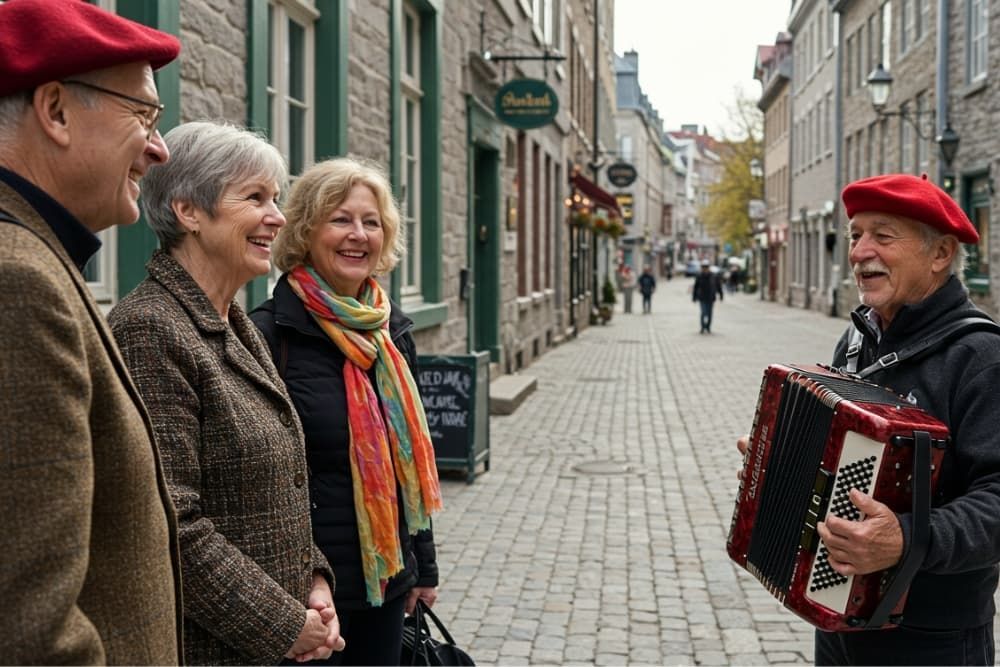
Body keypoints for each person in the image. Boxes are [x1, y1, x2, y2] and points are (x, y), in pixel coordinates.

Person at [737, 174, 1000, 666]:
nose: (859, 251)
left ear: (940, 254)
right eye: (856, 234)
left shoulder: (981, 356)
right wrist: (777, 473)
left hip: (934, 638)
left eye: (883, 235)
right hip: (837, 616)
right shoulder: (859, 342)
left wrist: (907, 538)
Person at [108, 121, 344, 665]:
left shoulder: (232, 320)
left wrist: (313, 578)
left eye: (277, 198)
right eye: (255, 197)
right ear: (189, 211)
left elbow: (275, 485)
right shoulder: (151, 328)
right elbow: (170, 524)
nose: (278, 218)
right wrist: (286, 625)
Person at [0, 1, 183, 662]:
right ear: (54, 110)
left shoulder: (36, 260)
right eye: (144, 115)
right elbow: (31, 632)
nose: (160, 148)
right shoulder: (19, 283)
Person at [250, 157, 443, 666]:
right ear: (306, 231)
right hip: (308, 597)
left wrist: (422, 568)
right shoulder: (269, 335)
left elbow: (408, 470)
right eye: (340, 219)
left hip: (387, 581)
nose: (358, 235)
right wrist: (295, 590)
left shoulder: (392, 333)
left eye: (371, 221)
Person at [693, 259, 723, 333]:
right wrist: (694, 297)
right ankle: (703, 327)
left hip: (710, 297)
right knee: (703, 312)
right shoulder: (699, 276)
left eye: (706, 267)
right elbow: (696, 286)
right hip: (702, 297)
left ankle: (708, 327)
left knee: (709, 313)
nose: (705, 268)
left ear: (708, 267)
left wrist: (721, 294)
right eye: (703, 267)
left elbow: (718, 286)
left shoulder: (713, 276)